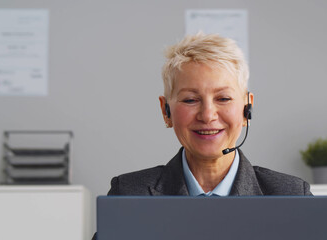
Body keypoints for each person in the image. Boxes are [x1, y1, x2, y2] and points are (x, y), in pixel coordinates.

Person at [105, 32, 312, 197]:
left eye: (223, 99)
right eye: (190, 100)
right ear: (165, 111)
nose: (207, 115)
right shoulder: (128, 193)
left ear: (246, 110)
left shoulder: (292, 194)